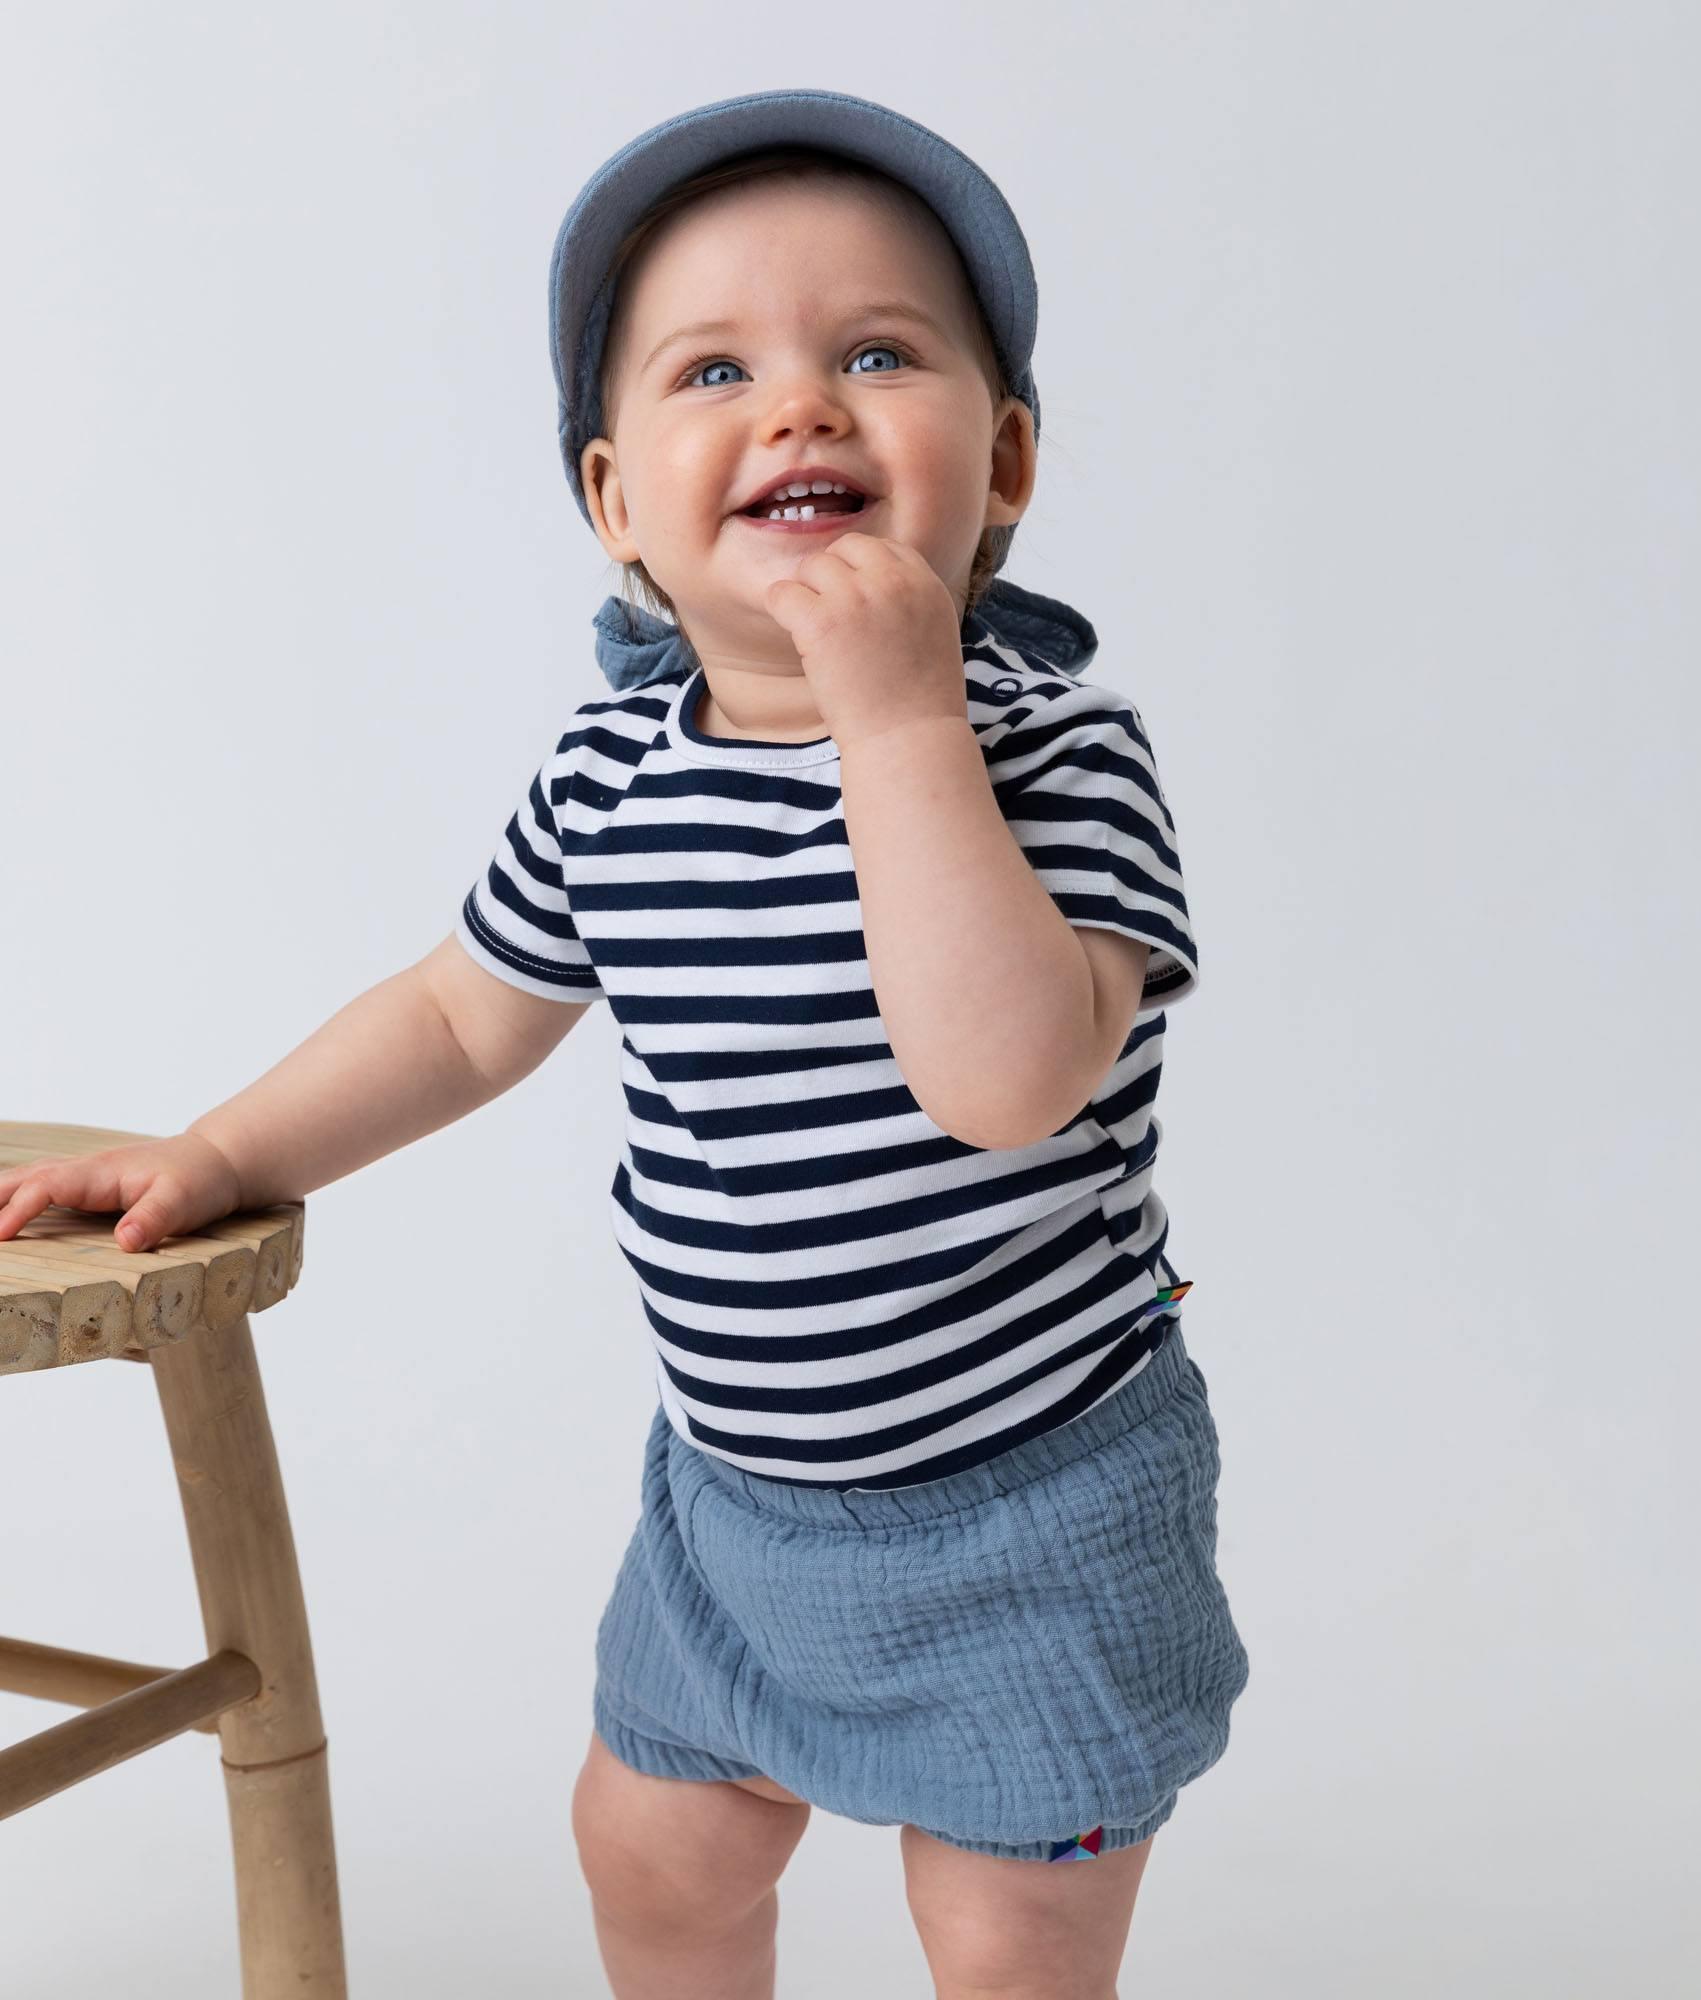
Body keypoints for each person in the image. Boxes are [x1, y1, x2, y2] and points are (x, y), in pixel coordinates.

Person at [0, 88, 1249, 2000]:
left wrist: (899, 722)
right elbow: (454, 1013)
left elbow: (1003, 1083)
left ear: (999, 465)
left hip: (1031, 1511)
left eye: (878, 353)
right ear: (614, 504)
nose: (803, 405)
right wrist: (229, 1151)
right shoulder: (610, 778)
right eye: (715, 368)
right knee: (651, 1855)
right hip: (730, 1511)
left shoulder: (1051, 754)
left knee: (1007, 1940)